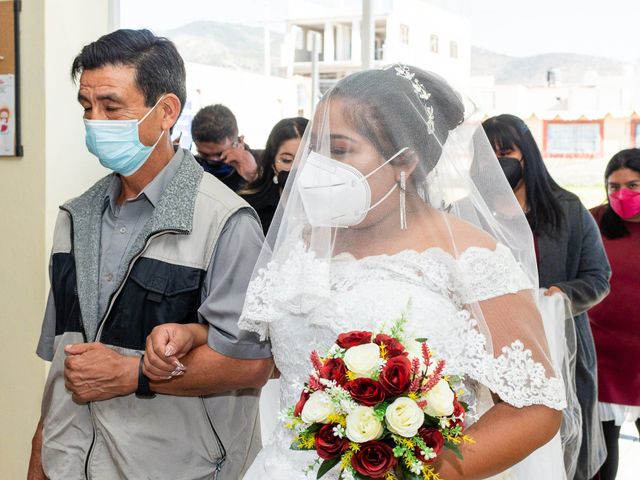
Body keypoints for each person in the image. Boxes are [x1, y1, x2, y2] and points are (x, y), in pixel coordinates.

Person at [144, 64, 579, 479]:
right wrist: (196, 335)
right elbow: (281, 359)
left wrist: (413, 468)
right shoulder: (304, 243)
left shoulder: (471, 256)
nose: (316, 166)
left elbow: (535, 408)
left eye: (339, 149)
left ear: (404, 162)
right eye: (315, 147)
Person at [27, 29, 273, 480]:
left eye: (111, 106)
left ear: (166, 112)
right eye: (87, 107)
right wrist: (40, 456)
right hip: (70, 464)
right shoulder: (75, 216)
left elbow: (252, 363)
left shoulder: (224, 222)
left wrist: (133, 372)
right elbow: (66, 365)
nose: (94, 121)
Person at [482, 114, 610, 480]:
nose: (499, 163)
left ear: (528, 156)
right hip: (496, 349)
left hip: (561, 348)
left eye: (506, 152)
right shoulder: (470, 211)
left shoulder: (567, 209)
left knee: (564, 448)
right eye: (489, 157)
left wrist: (560, 295)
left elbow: (599, 277)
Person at [588, 148, 640, 480]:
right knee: (601, 455)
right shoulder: (592, 221)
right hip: (603, 354)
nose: (622, 194)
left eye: (633, 185)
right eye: (613, 186)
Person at [239, 117, 308, 234]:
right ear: (272, 162)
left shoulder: (333, 209)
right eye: (287, 160)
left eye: (306, 160)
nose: (297, 168)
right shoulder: (250, 208)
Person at [191, 104, 260, 191]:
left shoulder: (267, 162)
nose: (214, 160)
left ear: (240, 141)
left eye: (220, 154)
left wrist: (255, 177)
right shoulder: (191, 166)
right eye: (205, 155)